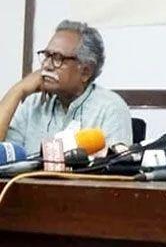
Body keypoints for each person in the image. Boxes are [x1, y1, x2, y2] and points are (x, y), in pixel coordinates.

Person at [0, 20, 132, 152]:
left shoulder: (109, 108)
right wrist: (18, 90)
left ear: (85, 72)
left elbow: (116, 163)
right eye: (47, 55)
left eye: (58, 58)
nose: (46, 65)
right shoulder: (34, 104)